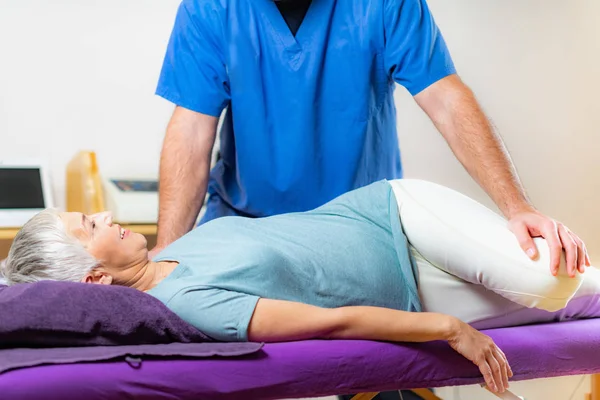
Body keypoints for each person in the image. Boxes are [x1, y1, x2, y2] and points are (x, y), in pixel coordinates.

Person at [3, 179, 597, 396]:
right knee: (571, 301)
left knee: (544, 283)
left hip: (394, 215)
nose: (106, 218)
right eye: (90, 227)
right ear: (94, 277)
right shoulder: (191, 306)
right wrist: (449, 329)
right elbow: (332, 323)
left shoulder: (172, 254)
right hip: (419, 294)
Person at [151, 0, 589, 285]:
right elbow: (192, 129)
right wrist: (169, 250)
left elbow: (447, 100)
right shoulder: (210, 8)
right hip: (243, 224)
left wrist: (517, 207)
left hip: (355, 231)